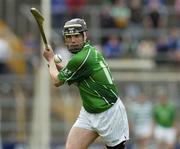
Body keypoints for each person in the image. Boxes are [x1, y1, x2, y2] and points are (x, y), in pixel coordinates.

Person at [43, 18, 129, 149]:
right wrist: (53, 64)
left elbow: (57, 81)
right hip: (89, 112)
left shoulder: (82, 58)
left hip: (109, 113)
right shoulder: (86, 54)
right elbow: (70, 71)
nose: (73, 40)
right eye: (69, 37)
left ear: (85, 35)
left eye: (76, 36)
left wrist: (50, 60)